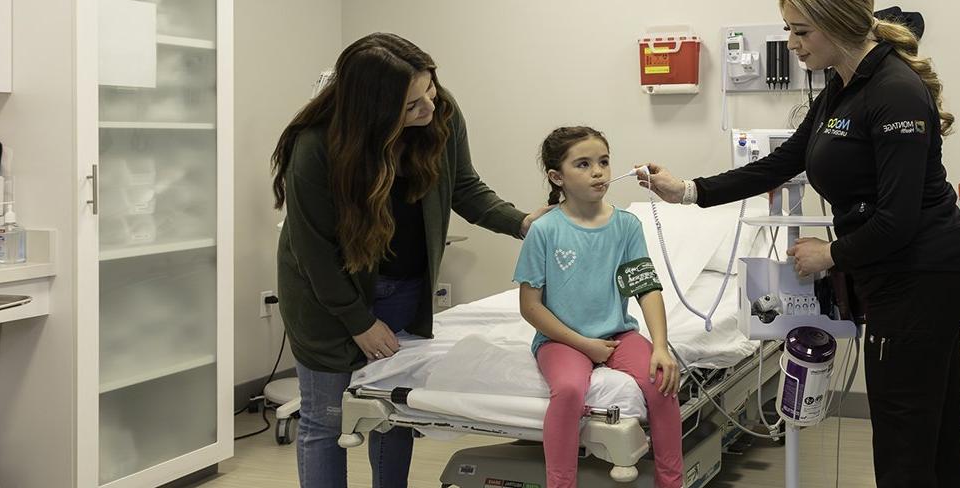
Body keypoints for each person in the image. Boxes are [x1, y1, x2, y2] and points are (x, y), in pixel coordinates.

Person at [637, 0, 960, 487]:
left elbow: (898, 218)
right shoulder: (841, 88)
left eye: (801, 31)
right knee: (930, 432)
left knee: (904, 437)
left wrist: (830, 255)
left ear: (840, 23)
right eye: (788, 31)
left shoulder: (894, 91)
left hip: (922, 277)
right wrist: (688, 191)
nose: (793, 43)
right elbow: (781, 163)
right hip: (900, 273)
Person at [271, 32, 550, 488]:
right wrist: (357, 321)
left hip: (404, 290)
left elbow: (465, 187)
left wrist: (521, 223)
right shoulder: (317, 145)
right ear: (371, 112)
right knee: (325, 420)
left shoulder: (441, 113)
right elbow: (314, 253)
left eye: (430, 92)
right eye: (410, 106)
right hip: (325, 302)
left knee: (391, 413)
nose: (427, 110)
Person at [515, 126, 683, 488]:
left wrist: (660, 346)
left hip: (618, 334)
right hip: (560, 340)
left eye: (604, 162)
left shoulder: (625, 226)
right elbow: (531, 307)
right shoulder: (544, 230)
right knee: (571, 390)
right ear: (557, 177)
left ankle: (672, 483)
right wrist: (584, 345)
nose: (598, 172)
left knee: (662, 382)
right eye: (584, 164)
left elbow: (646, 289)